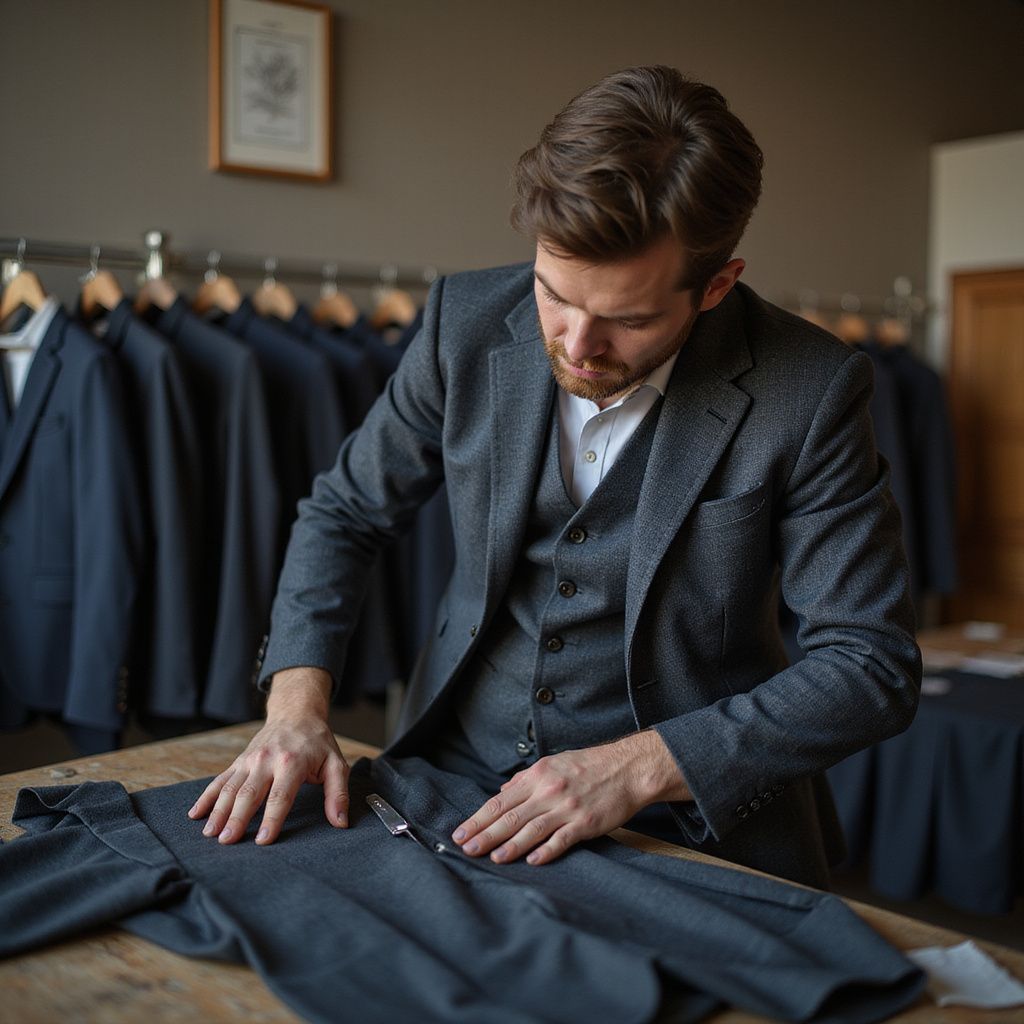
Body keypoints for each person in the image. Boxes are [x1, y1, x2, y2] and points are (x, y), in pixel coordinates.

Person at [188, 65, 920, 888]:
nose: (576, 344)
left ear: (716, 286)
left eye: (629, 319)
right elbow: (344, 513)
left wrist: (638, 767)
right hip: (452, 785)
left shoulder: (810, 389)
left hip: (685, 828)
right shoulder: (458, 326)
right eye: (553, 294)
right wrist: (295, 708)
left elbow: (869, 664)